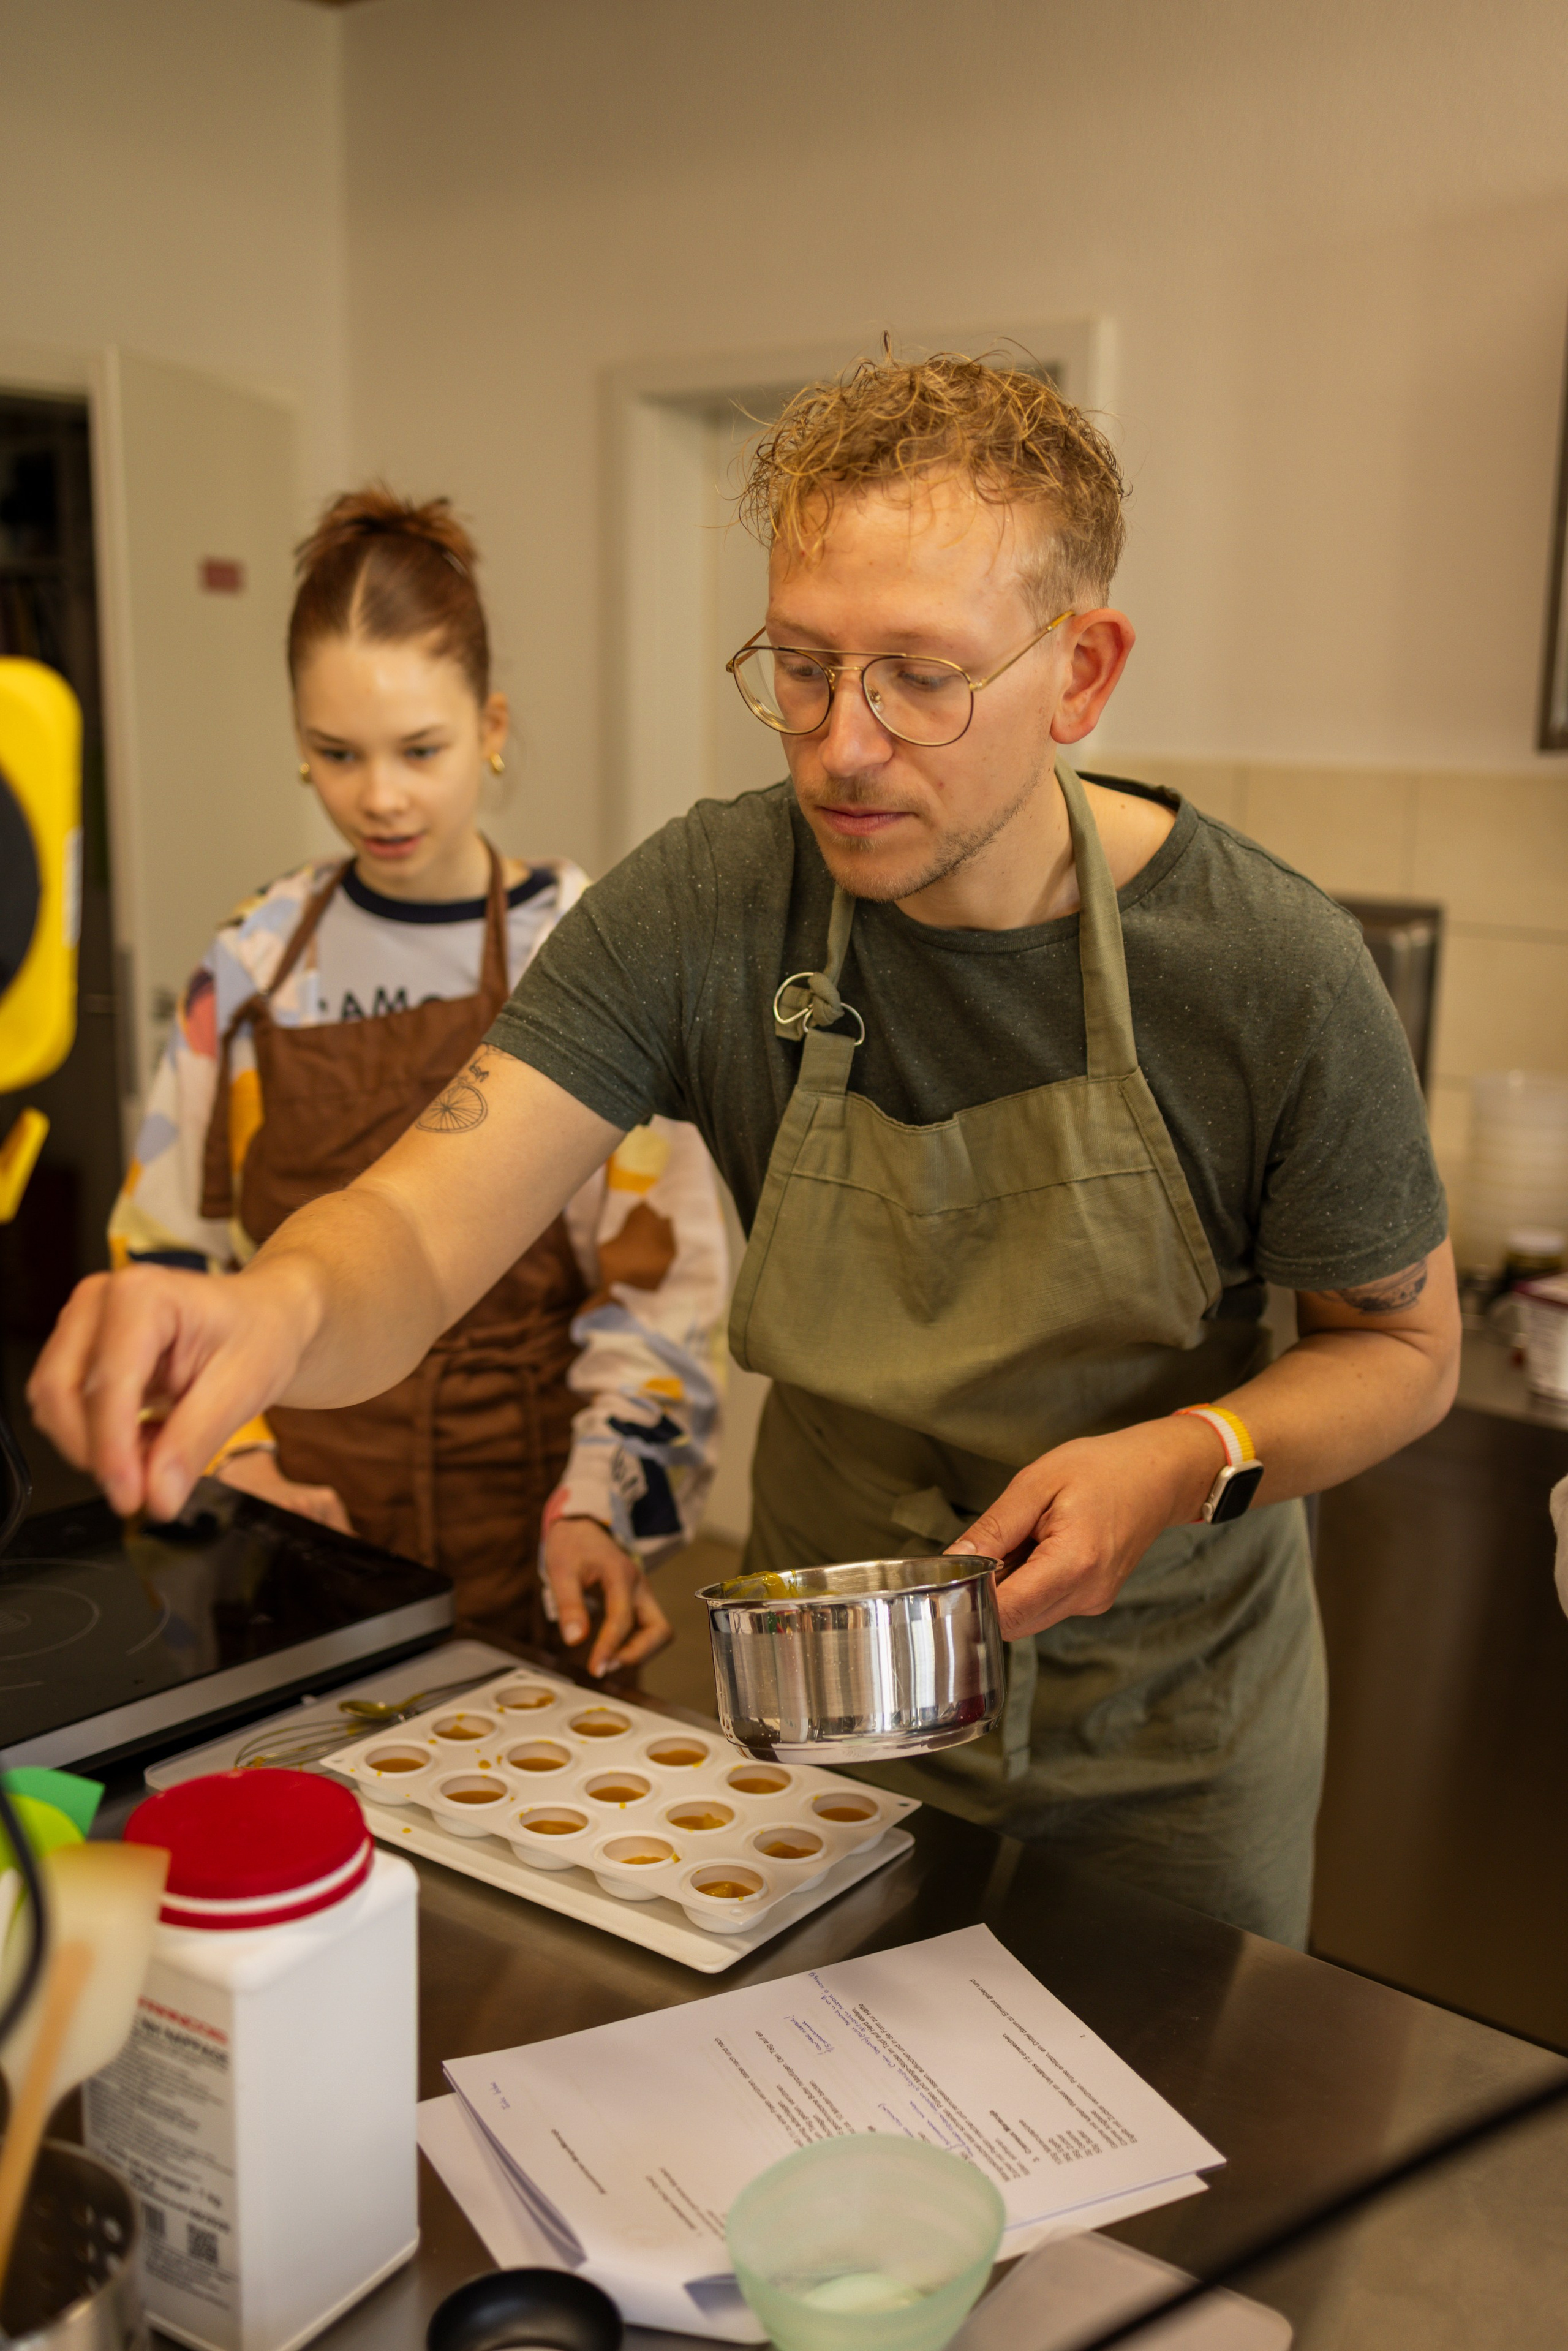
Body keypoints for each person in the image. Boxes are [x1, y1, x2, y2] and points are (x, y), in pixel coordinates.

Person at [34, 358, 1460, 1944]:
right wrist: (280, 1308)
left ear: (1082, 670)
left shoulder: (1265, 967)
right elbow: (427, 1226)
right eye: (797, 666)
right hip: (826, 1704)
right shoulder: (711, 905)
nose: (842, 745)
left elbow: (1404, 1345)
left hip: (1168, 1739)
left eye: (921, 676)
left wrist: (1188, 1456)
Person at [104, 488, 727, 1675]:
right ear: (297, 738)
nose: (378, 795)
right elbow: (168, 1253)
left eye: (420, 750)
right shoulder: (250, 966)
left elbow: (664, 1286)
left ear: (489, 724)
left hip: (535, 1536)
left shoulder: (579, 948)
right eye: (336, 753)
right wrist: (237, 1456)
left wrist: (600, 1501)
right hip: (300, 1531)